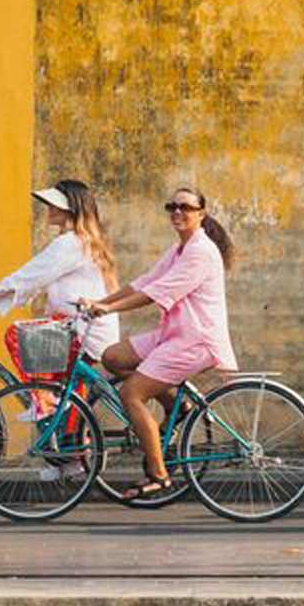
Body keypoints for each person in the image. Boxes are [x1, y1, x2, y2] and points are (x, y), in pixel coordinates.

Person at [92, 187, 234, 505]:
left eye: (185, 207)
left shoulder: (201, 252)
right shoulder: (178, 249)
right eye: (172, 206)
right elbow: (143, 281)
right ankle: (177, 406)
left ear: (201, 213)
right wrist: (99, 302)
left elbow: (157, 293)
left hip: (194, 339)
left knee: (130, 394)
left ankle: (158, 476)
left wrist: (110, 310)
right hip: (172, 333)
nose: (177, 212)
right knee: (113, 357)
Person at [0, 179, 117, 359]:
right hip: (92, 330)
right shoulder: (84, 240)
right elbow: (40, 280)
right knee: (62, 379)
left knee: (16, 335)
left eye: (55, 205)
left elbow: (32, 275)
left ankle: (41, 389)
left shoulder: (71, 243)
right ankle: (54, 388)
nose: (50, 208)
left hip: (81, 331)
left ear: (70, 209)